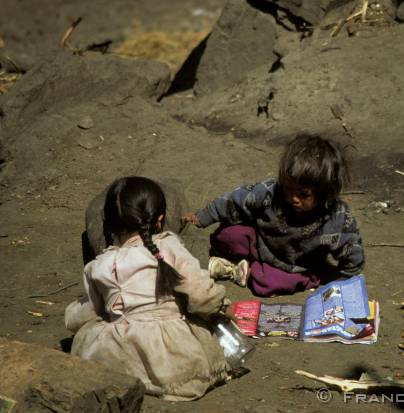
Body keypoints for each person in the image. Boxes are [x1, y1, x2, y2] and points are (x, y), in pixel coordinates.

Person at [65, 176, 233, 401]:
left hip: (116, 357)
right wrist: (221, 306)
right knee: (199, 323)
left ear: (109, 224)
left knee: (96, 331)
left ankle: (132, 379)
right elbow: (201, 293)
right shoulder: (167, 246)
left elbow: (88, 311)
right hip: (173, 363)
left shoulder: (98, 266)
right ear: (160, 219)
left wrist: (72, 318)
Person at [182, 134, 365, 297]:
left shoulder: (336, 218)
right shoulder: (271, 192)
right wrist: (204, 216)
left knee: (265, 283)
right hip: (260, 242)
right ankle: (245, 265)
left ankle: (239, 270)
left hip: (295, 265)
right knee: (225, 236)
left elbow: (351, 249)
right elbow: (236, 200)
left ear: (325, 192)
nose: (293, 198)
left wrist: (346, 278)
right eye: (288, 188)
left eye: (303, 194)